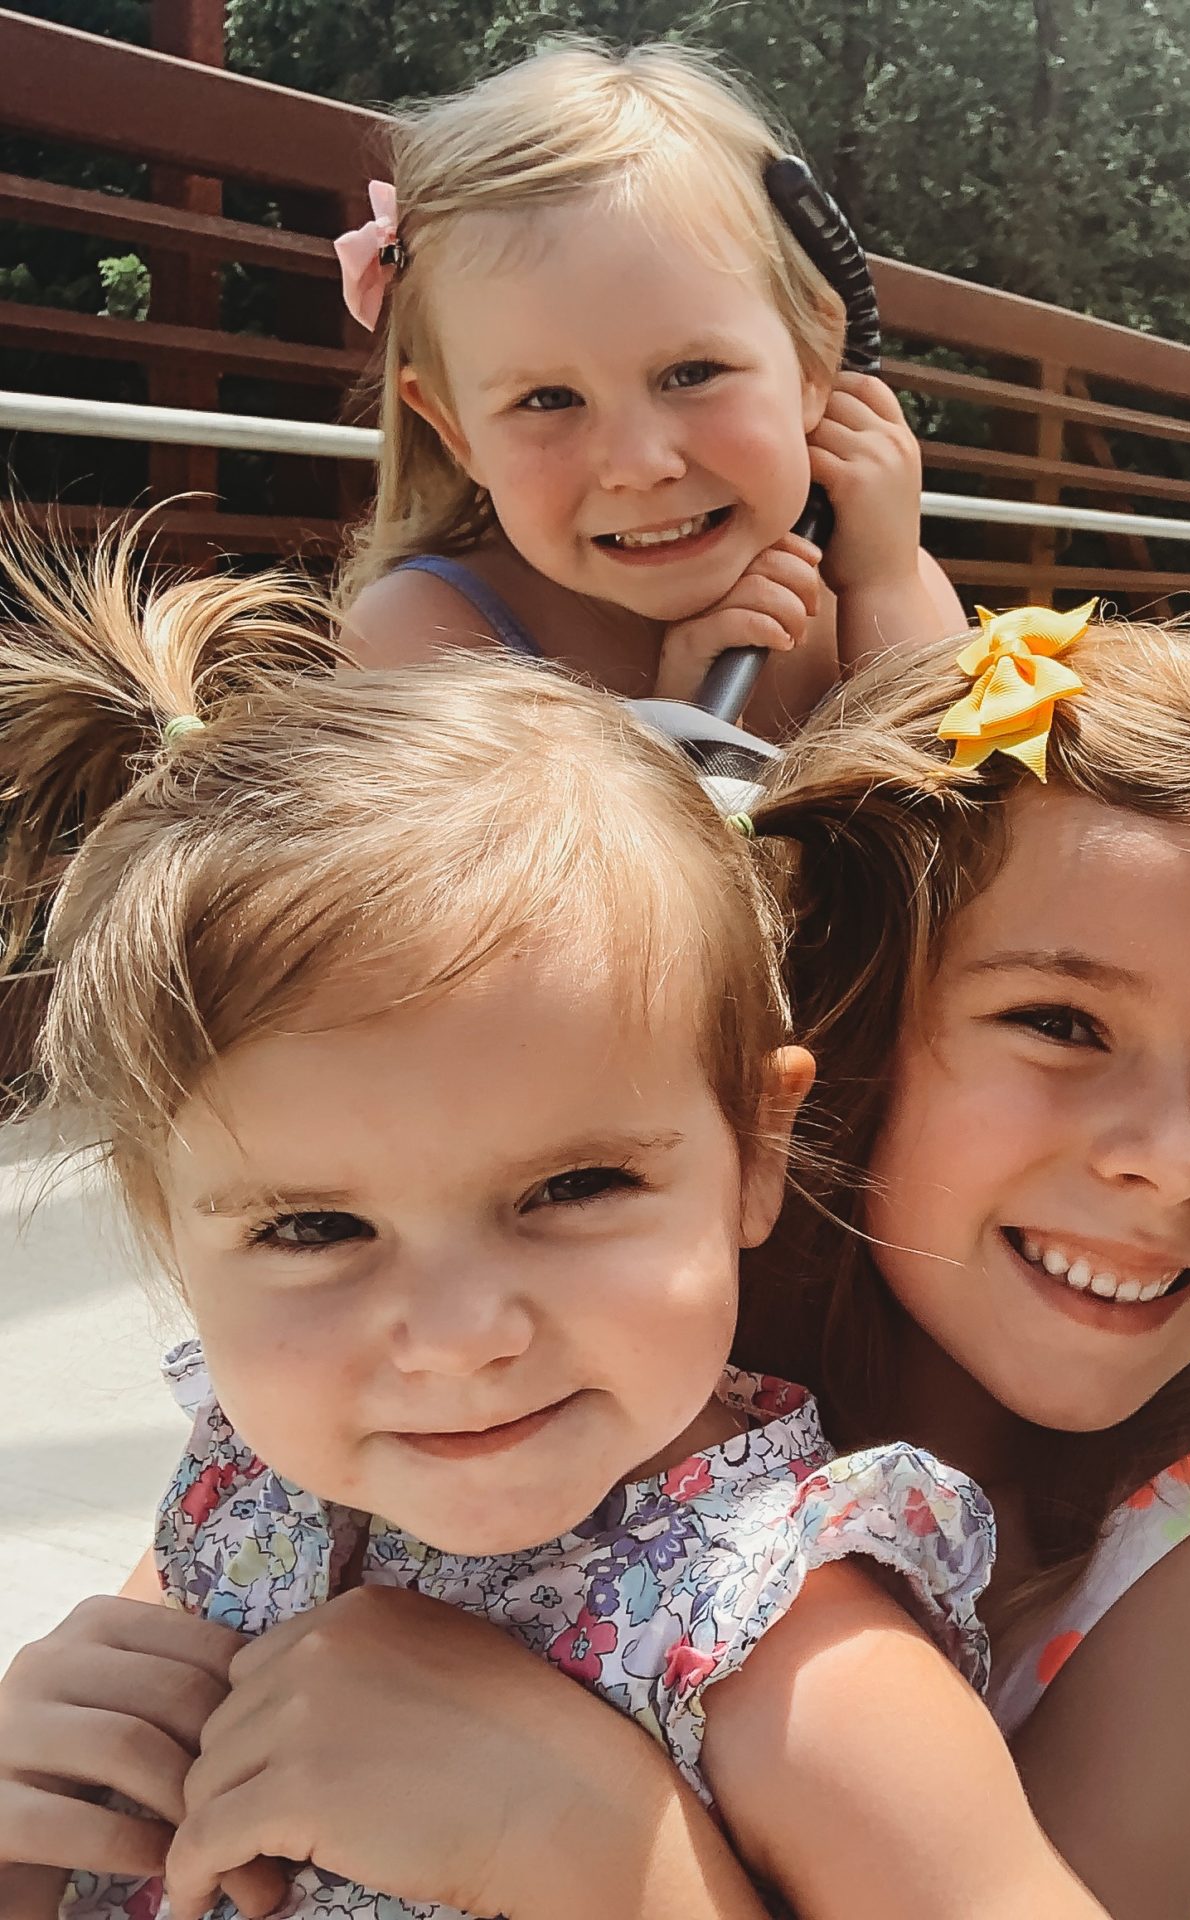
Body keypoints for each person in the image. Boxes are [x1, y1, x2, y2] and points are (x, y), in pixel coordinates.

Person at [0, 533, 1100, 1920]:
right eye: (314, 1229)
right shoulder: (255, 1489)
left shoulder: (788, 1659)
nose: (461, 1340)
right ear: (173, 1229)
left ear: (754, 1150)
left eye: (573, 1190)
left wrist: (606, 1859)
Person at [333, 41, 965, 735]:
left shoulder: (882, 581)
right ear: (456, 431)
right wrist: (677, 737)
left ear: (814, 363)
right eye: (547, 400)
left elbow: (975, 823)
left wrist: (886, 591)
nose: (638, 465)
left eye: (692, 374)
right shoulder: (426, 643)